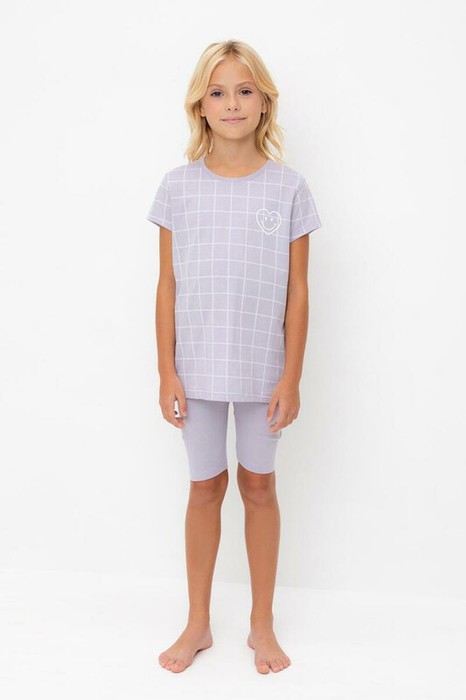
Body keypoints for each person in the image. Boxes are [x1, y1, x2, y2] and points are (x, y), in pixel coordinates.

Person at [146, 39, 322, 674]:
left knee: (258, 485)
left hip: (261, 368)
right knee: (204, 487)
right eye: (217, 92)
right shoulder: (178, 188)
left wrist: (291, 376)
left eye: (245, 90)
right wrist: (166, 370)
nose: (232, 103)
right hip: (195, 368)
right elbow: (167, 284)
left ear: (265, 102)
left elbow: (298, 291)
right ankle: (197, 621)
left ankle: (261, 623)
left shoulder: (288, 188)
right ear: (200, 105)